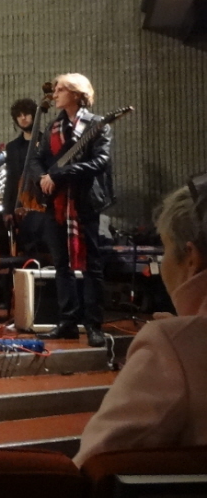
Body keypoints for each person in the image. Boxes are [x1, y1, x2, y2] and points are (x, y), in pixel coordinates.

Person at [72, 180, 207, 466]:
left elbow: (96, 464)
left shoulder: (172, 347)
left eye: (165, 248)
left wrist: (176, 340)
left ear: (191, 258)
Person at [31, 73, 113, 347]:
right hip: (55, 203)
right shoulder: (53, 126)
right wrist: (43, 177)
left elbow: (100, 162)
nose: (55, 94)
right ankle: (67, 322)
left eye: (60, 89)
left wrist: (60, 174)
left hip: (83, 203)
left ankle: (93, 325)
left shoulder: (98, 124)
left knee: (91, 267)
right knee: (61, 266)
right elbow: (38, 159)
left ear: (76, 94)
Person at [3, 98, 51, 255]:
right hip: (21, 204)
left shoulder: (46, 142)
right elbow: (11, 179)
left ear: (34, 115)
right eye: (19, 115)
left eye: (27, 114)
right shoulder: (12, 147)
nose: (23, 118)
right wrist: (7, 209)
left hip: (43, 201)